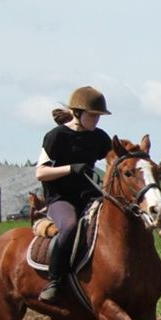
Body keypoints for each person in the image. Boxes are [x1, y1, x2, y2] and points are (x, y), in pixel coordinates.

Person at [35, 85, 113, 303]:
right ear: (77, 113)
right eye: (93, 115)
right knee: (69, 226)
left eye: (99, 116)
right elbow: (40, 173)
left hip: (89, 196)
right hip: (60, 198)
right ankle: (55, 280)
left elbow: (114, 160)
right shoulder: (56, 136)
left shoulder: (99, 137)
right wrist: (71, 168)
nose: (97, 120)